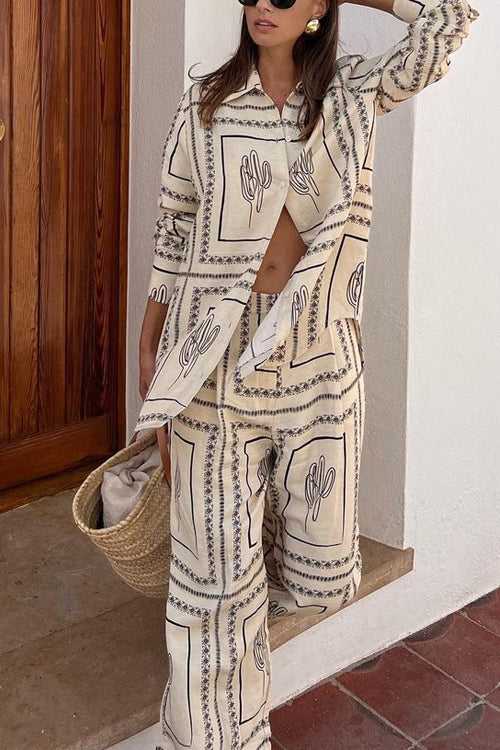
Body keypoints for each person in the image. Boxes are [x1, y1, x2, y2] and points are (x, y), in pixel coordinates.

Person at [136, 1, 480, 748]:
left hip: (318, 357)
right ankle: (219, 736)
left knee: (321, 575)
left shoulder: (354, 94)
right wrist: (151, 347)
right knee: (211, 584)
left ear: (319, 9)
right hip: (215, 358)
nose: (263, 4)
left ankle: (241, 670)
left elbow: (447, 22)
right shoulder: (207, 103)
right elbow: (175, 221)